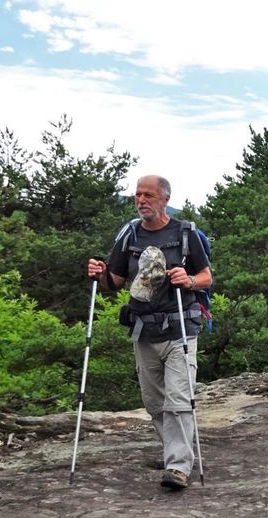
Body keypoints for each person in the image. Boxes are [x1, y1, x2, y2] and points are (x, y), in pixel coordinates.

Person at [87, 175, 212, 490]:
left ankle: (179, 466)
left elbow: (207, 277)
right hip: (143, 330)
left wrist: (190, 280)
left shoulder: (186, 234)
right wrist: (100, 274)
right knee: (154, 402)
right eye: (137, 196)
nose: (141, 200)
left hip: (180, 326)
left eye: (148, 195)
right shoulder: (129, 236)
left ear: (164, 199)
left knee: (180, 399)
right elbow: (114, 283)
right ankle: (174, 449)